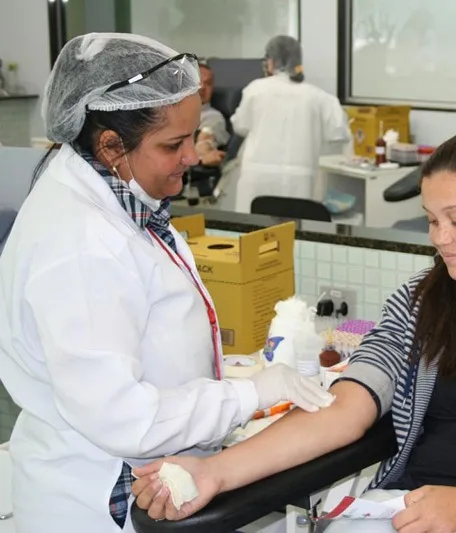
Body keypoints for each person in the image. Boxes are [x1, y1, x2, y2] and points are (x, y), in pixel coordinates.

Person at [133, 129, 456, 533]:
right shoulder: (424, 301)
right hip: (411, 505)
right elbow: (346, 410)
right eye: (431, 220)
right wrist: (216, 472)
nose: (440, 239)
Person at [0, 32, 333, 532]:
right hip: (96, 503)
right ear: (111, 145)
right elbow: (124, 417)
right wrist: (250, 396)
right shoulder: (81, 243)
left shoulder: (117, 195)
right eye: (173, 144)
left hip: (148, 475)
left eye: (192, 136)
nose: (192, 158)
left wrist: (232, 381)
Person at [230, 35, 351, 212]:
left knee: (252, 232)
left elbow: (240, 126)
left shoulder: (255, 89)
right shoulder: (319, 97)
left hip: (257, 177)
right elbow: (338, 133)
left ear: (270, 61)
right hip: (299, 180)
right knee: (292, 232)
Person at [195, 60, 229, 167]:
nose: (203, 87)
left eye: (208, 83)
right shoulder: (168, 112)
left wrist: (203, 156)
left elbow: (204, 141)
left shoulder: (213, 117)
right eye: (198, 81)